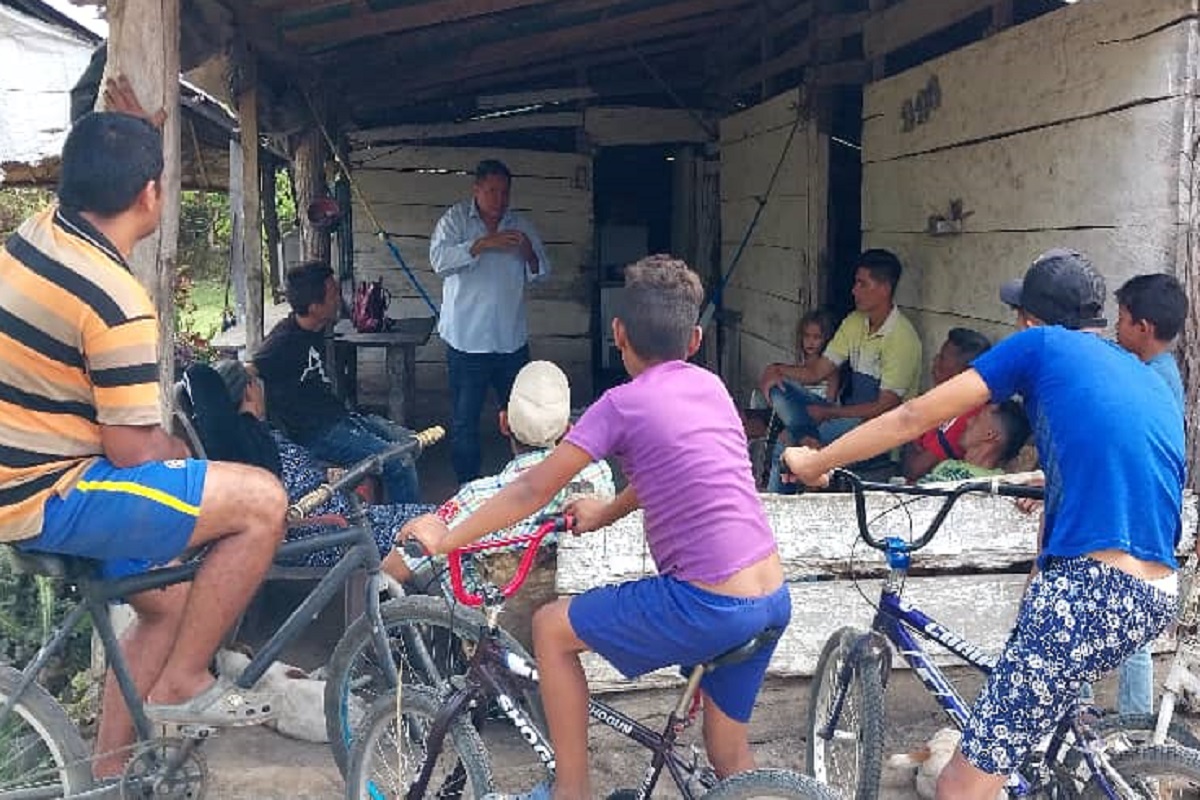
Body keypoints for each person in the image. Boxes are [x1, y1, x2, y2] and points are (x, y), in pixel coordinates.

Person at [783, 249, 1184, 800]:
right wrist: (1049, 480)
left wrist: (816, 462)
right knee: (1029, 741)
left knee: (958, 787)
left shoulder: (1041, 345)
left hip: (1088, 593)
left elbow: (912, 415)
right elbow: (1123, 461)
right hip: (1155, 590)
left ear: (1031, 319)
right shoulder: (1140, 374)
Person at [402, 255, 790, 800]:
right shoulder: (712, 388)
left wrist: (445, 538)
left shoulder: (621, 404)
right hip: (771, 596)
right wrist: (604, 513)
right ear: (695, 338)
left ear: (617, 333)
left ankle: (572, 789)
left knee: (552, 629)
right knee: (730, 756)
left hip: (709, 603)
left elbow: (530, 489)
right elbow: (668, 473)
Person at [0, 111, 284, 780]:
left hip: (20, 473)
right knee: (261, 501)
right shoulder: (116, 301)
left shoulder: (33, 237)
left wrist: (128, 120)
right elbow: (132, 452)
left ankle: (101, 779)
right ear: (150, 194)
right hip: (57, 492)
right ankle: (184, 682)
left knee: (173, 606)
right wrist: (199, 471)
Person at [380, 360, 614, 586]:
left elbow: (395, 570)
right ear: (568, 429)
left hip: (484, 616)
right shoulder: (598, 472)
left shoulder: (477, 496)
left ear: (503, 423)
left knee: (399, 530)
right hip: (565, 605)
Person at [186, 360, 436, 570]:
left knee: (440, 518)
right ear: (249, 389)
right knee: (430, 531)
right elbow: (198, 375)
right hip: (323, 531)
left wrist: (325, 474)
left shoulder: (260, 432)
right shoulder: (244, 443)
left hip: (339, 515)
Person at [253, 260, 420, 504]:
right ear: (314, 306)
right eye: (333, 294)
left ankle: (386, 513)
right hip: (315, 433)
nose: (340, 298)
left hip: (339, 418)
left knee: (410, 443)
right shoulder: (281, 342)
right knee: (398, 461)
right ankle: (407, 529)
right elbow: (247, 370)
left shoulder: (315, 326)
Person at [430, 159, 551, 484]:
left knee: (523, 417)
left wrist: (528, 253)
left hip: (510, 340)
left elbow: (542, 274)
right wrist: (481, 244)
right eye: (492, 191)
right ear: (477, 190)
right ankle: (467, 488)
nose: (499, 199)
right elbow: (439, 262)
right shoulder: (455, 221)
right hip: (467, 341)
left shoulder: (520, 226)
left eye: (504, 192)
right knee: (465, 420)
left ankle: (526, 485)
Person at [766, 249, 922, 491]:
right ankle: (809, 437)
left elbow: (884, 406)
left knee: (787, 448)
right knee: (780, 388)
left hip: (879, 428)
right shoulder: (855, 322)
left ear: (884, 289)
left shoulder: (902, 338)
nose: (854, 290)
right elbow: (817, 371)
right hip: (847, 416)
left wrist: (830, 414)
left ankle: (782, 512)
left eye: (862, 284)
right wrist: (775, 370)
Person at [1104, 272, 1189, 716]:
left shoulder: (1150, 381)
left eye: (1121, 319)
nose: (1116, 329)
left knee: (1131, 631)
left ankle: (1134, 723)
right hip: (1147, 513)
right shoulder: (1157, 372)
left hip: (1142, 517)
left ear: (1145, 328)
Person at [902, 328, 992, 482]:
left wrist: (913, 435)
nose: (935, 361)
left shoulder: (968, 414)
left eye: (942, 358)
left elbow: (914, 469)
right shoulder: (941, 401)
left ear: (964, 373)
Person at [916, 400, 1029, 484]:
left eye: (976, 419)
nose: (969, 421)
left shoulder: (994, 483)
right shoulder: (947, 464)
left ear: (989, 435)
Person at [755, 308, 841, 411]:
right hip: (798, 408)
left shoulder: (831, 368)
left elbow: (830, 401)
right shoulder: (802, 363)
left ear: (826, 338)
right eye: (806, 336)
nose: (810, 342)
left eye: (816, 337)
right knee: (761, 393)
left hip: (818, 411)